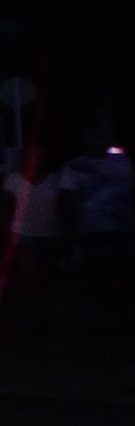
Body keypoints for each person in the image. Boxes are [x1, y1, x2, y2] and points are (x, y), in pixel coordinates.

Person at [58, 132, 133, 318]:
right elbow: (68, 199)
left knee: (125, 270)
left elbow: (131, 191)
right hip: (92, 229)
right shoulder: (75, 166)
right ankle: (107, 312)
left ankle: (120, 310)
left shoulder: (121, 161)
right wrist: (74, 231)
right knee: (99, 271)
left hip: (121, 226)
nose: (98, 142)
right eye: (94, 137)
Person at [3, 151, 64, 330]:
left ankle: (44, 314)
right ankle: (26, 313)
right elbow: (5, 205)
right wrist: (6, 230)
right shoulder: (14, 179)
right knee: (26, 274)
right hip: (22, 231)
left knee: (48, 274)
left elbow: (63, 204)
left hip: (50, 232)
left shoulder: (55, 179)